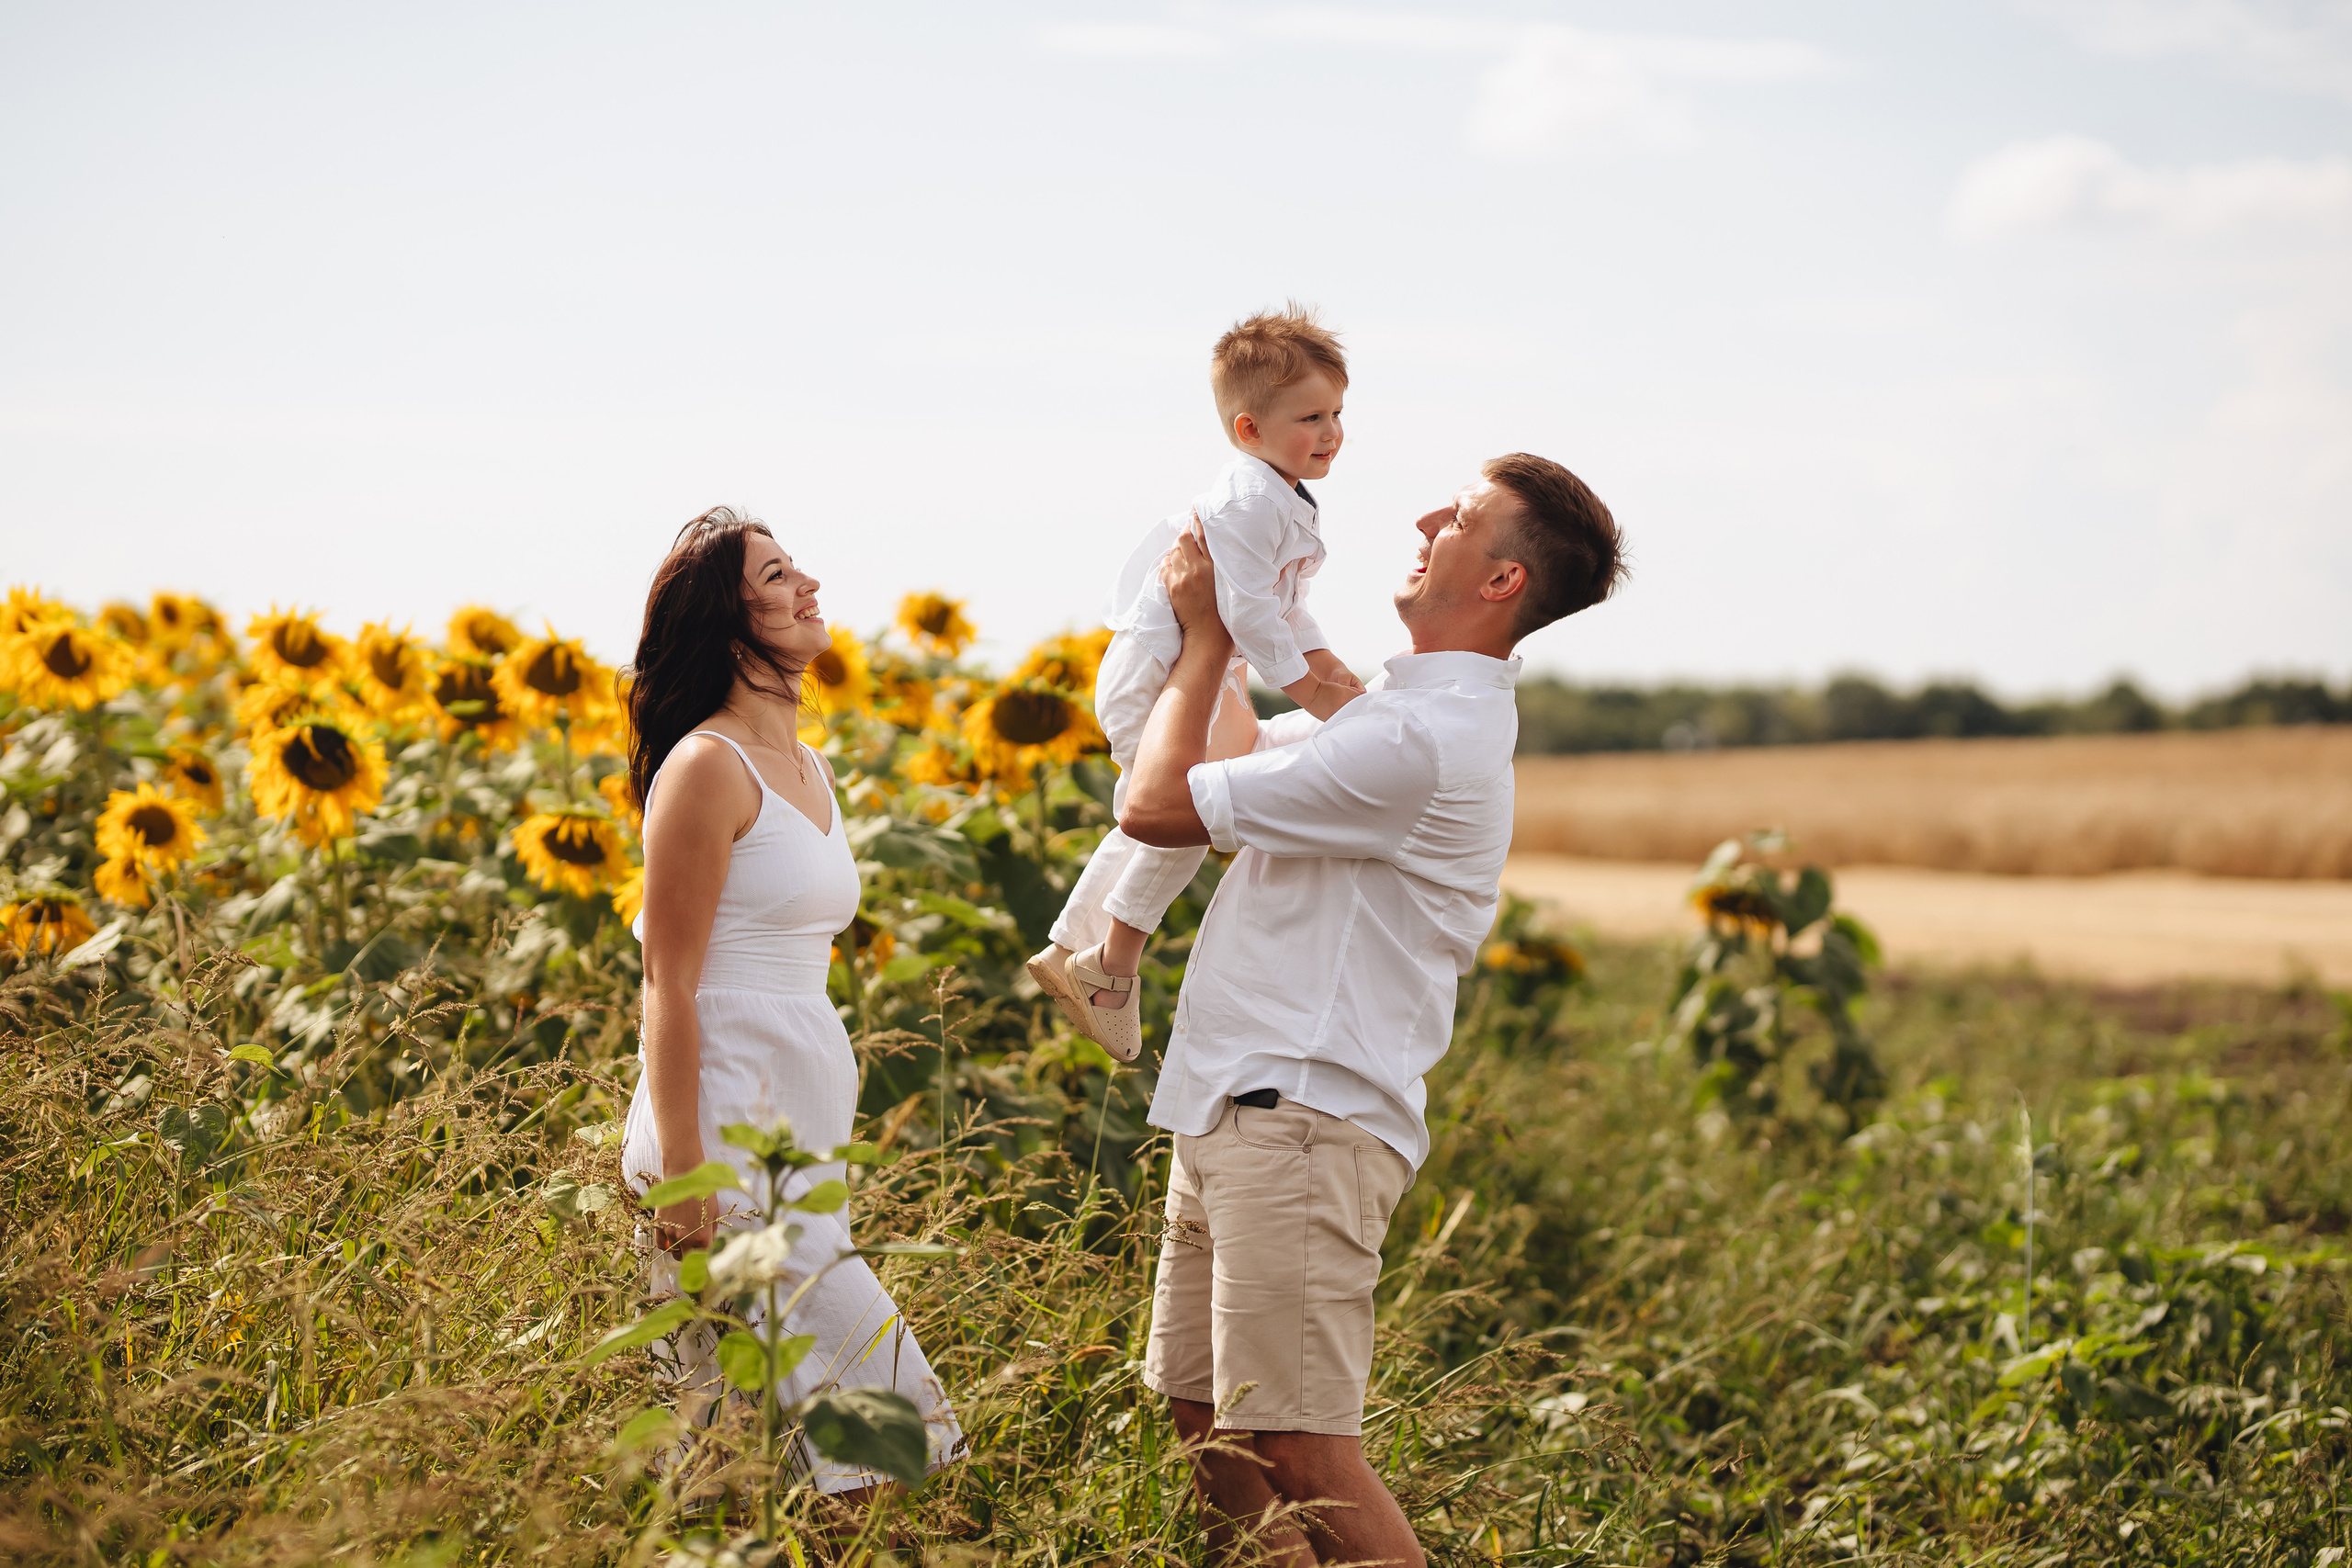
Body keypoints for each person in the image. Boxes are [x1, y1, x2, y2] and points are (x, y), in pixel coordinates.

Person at [1119, 456, 1627, 1565]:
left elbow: (1157, 807)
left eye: (1463, 515)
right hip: (1239, 1103)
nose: (1426, 516)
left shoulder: (1414, 741)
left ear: (1500, 580)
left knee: (1300, 1447)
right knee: (1209, 1432)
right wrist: (1221, 617)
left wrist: (1211, 639)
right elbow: (1233, 756)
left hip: (1304, 1115)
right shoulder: (1399, 713)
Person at [617, 507, 964, 1495]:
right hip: (720, 1140)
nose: (807, 585)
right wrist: (687, 1180)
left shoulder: (808, 767)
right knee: (893, 1447)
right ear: (727, 625)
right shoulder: (703, 767)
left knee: (742, 1465)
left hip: (790, 1137)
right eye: (775, 578)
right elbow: (668, 981)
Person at [1027, 304, 1366, 1063]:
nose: (1332, 431)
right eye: (1311, 416)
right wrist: (1306, 690)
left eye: (1338, 412)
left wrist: (1329, 667)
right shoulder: (1250, 500)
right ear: (1249, 429)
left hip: (1189, 670)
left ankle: (1071, 949)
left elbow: (1286, 604)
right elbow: (1246, 607)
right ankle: (1110, 969)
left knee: (1157, 817)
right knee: (1186, 814)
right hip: (1162, 670)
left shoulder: (1279, 495)